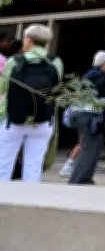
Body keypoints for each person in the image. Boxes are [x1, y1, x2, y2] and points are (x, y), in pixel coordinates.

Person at [0, 24, 62, 182]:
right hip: (43, 120)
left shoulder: (14, 61)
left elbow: (3, 88)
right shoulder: (55, 62)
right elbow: (57, 88)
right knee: (34, 165)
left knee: (4, 164)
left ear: (28, 39)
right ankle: (30, 195)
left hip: (13, 119)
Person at [67, 51, 105, 185]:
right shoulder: (101, 77)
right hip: (90, 114)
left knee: (93, 145)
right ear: (104, 64)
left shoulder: (89, 75)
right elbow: (102, 98)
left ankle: (85, 177)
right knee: (89, 148)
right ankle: (78, 179)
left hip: (81, 113)